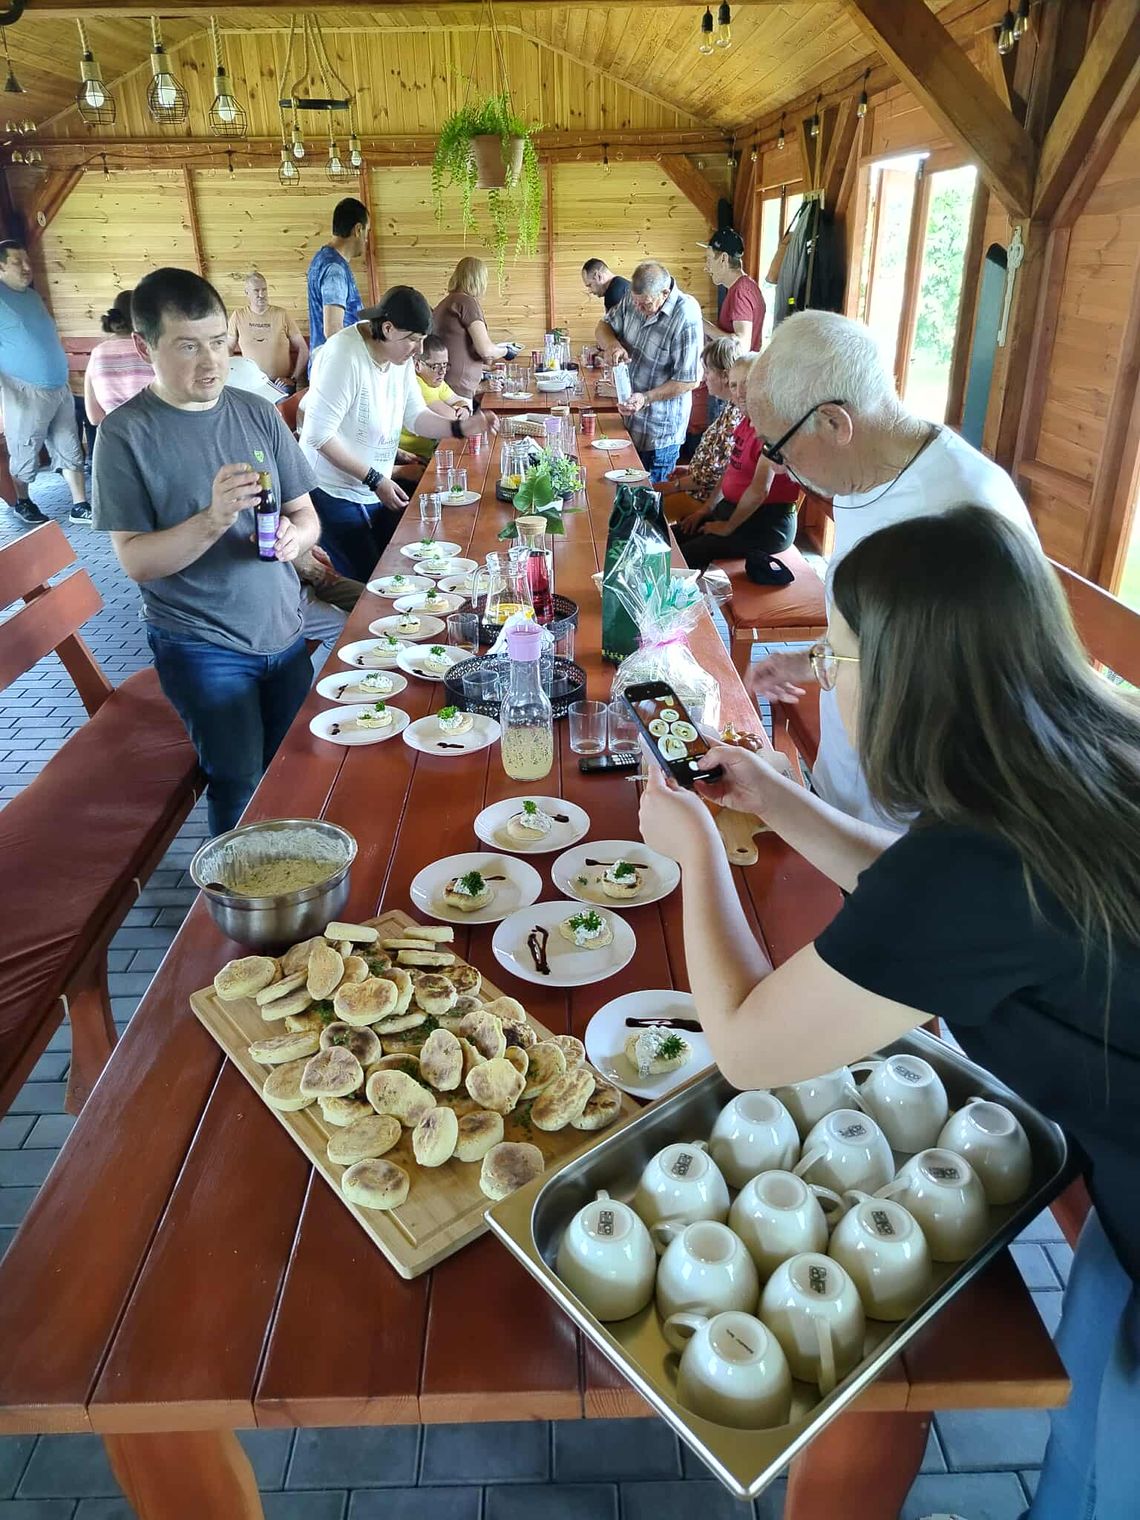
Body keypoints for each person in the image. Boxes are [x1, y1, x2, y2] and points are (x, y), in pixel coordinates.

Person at [638, 506, 1140, 1520]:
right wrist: (773, 798)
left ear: (908, 680)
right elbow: (919, 894)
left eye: (836, 656)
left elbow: (747, 1047)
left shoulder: (971, 871)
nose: (825, 680)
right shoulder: (1086, 758)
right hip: (1122, 1192)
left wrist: (694, 850)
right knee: (1088, 1440)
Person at [747, 309, 1034, 826]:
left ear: (834, 423)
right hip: (847, 787)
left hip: (911, 821)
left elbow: (985, 699)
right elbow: (885, 629)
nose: (778, 464)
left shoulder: (960, 513)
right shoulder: (861, 474)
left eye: (778, 447)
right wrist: (813, 660)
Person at [92, 267, 321, 837]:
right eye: (187, 346)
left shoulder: (256, 411)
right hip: (202, 644)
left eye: (218, 342)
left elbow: (306, 516)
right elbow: (136, 561)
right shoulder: (125, 434)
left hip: (284, 630)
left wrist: (297, 539)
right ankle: (235, 892)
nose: (211, 362)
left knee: (294, 770)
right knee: (239, 780)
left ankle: (293, 880)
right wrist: (214, 518)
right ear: (145, 347)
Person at [299, 285, 497, 582]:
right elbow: (318, 435)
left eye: (422, 340)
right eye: (413, 340)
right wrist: (375, 478)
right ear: (388, 329)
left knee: (395, 572)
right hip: (334, 491)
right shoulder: (344, 355)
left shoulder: (399, 357)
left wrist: (459, 428)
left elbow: (415, 416)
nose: (418, 349)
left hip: (372, 486)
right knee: (370, 582)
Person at [676, 351, 800, 570]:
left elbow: (759, 491)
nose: (740, 392)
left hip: (766, 525)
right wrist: (706, 509)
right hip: (732, 511)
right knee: (668, 538)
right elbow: (730, 470)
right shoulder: (746, 421)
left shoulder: (773, 428)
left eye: (748, 383)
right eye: (734, 385)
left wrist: (727, 527)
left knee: (685, 556)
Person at [0, 238, 91, 527]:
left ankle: (79, 505)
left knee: (69, 445)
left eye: (27, 260)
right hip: (24, 390)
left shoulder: (31, 296)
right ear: (0, 267)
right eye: (17, 262)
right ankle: (23, 501)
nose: (27, 267)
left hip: (58, 386)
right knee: (24, 449)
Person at [595, 259, 703, 483]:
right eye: (635, 302)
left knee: (650, 497)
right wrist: (612, 345)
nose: (639, 309)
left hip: (660, 434)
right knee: (623, 492)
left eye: (645, 304)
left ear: (665, 293)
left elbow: (689, 379)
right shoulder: (634, 297)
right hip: (629, 424)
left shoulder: (686, 315)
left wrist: (646, 398)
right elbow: (603, 326)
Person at [660, 335, 742, 523]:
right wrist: (690, 469)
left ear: (725, 376)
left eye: (707, 371)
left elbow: (714, 475)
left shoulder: (735, 416)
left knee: (643, 509)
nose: (704, 378)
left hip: (705, 501)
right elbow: (714, 463)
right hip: (697, 491)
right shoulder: (729, 407)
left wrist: (674, 485)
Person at [432, 257, 515, 402]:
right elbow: (486, 350)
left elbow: (456, 348)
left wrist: (486, 369)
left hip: (444, 383)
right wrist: (507, 351)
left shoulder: (445, 303)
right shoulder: (467, 302)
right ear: (479, 280)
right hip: (459, 388)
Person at [306, 197, 368, 360]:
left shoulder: (323, 258)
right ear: (358, 230)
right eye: (366, 232)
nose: (366, 240)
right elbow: (333, 330)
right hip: (336, 364)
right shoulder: (335, 269)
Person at [398, 333, 472, 464]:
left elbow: (458, 401)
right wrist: (461, 412)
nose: (442, 372)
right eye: (436, 366)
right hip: (408, 458)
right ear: (417, 365)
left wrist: (464, 408)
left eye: (445, 365)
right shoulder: (417, 384)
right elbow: (451, 419)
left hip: (427, 452)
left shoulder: (435, 381)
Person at [83, 290, 153, 425]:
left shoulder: (97, 353)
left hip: (114, 433)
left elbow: (94, 417)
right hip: (153, 429)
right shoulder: (152, 351)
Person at [227, 270, 308, 387]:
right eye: (256, 290)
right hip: (250, 384)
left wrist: (293, 379)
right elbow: (228, 348)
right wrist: (233, 377)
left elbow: (303, 348)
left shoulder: (282, 314)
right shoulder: (238, 316)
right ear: (247, 292)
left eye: (264, 289)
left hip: (280, 384)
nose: (261, 294)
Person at [698, 227, 765, 350]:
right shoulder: (745, 286)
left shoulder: (741, 291)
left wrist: (702, 324)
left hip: (741, 363)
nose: (706, 267)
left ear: (724, 258)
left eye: (709, 259)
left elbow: (742, 345)